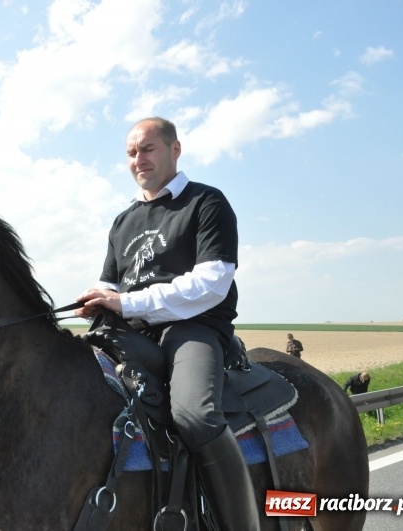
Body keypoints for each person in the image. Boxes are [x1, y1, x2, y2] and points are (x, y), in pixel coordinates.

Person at [76, 117, 259, 530]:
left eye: (148, 149)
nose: (138, 159)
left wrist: (127, 302)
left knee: (196, 415)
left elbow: (212, 283)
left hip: (191, 328)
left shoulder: (206, 203)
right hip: (128, 330)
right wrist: (94, 299)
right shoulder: (124, 221)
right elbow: (110, 282)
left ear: (175, 150)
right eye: (131, 153)